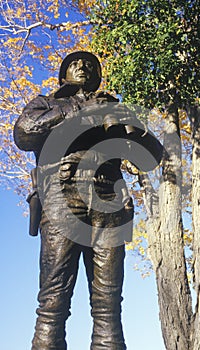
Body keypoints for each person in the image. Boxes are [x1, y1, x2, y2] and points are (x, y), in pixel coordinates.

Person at [14, 51, 163, 350]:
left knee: (108, 305)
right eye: (75, 63)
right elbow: (24, 133)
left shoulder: (111, 106)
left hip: (110, 196)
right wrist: (81, 111)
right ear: (63, 74)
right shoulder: (48, 103)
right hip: (62, 194)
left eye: (89, 65)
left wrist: (132, 125)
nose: (82, 66)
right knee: (53, 300)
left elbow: (150, 159)